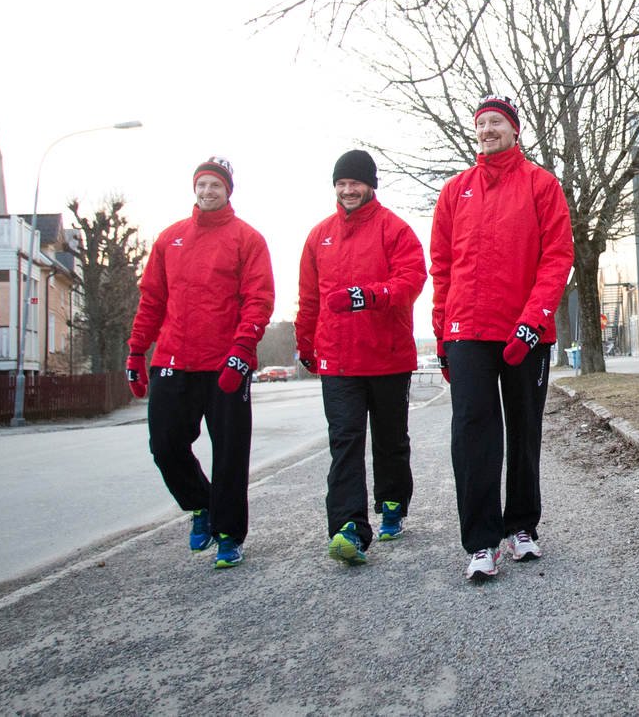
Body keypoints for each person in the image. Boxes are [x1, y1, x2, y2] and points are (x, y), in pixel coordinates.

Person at [430, 95, 573, 583]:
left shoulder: (541, 184)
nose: (487, 130)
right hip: (467, 330)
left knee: (524, 428)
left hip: (525, 331)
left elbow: (557, 256)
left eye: (497, 122)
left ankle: (522, 526)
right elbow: (442, 267)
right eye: (481, 123)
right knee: (472, 433)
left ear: (515, 130)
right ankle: (480, 542)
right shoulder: (455, 191)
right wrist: (442, 333)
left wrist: (534, 321)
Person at [125, 157, 275, 569]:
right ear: (195, 188)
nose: (208, 192)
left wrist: (242, 350)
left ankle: (229, 534)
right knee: (165, 445)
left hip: (225, 363)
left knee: (229, 453)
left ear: (228, 191)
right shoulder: (169, 239)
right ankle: (200, 504)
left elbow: (259, 299)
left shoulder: (247, 239)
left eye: (216, 186)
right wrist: (137, 351)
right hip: (173, 359)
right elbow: (152, 300)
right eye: (202, 185)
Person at [295, 149, 428, 567]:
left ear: (371, 185)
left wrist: (367, 296)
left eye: (355, 183)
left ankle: (391, 503)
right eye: (342, 183)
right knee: (345, 442)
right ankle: (348, 528)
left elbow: (411, 280)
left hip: (387, 356)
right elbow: (309, 298)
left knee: (390, 439)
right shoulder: (319, 236)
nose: (348, 190)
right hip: (338, 360)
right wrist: (305, 343)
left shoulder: (395, 230)